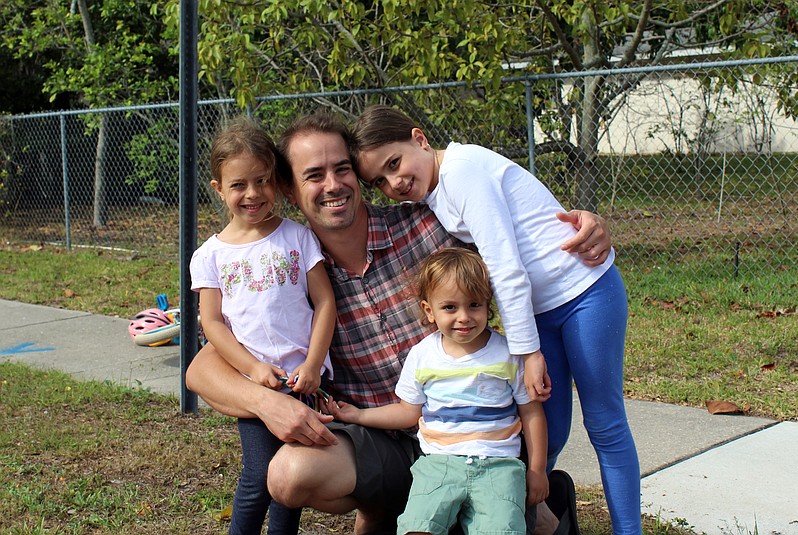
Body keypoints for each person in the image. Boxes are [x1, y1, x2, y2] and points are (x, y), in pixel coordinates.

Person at [184, 111, 614, 535]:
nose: (332, 185)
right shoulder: (291, 267)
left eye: (342, 169)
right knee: (288, 474)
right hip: (381, 439)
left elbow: (512, 240)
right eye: (314, 175)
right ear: (290, 191)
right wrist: (267, 403)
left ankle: (543, 512)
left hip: (470, 436)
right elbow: (201, 370)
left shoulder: (429, 226)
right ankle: (385, 507)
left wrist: (580, 227)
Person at [351, 105, 641, 535]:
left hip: (584, 292)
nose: (394, 183)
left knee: (604, 422)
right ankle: (532, 514)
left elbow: (505, 268)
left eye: (394, 163)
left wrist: (528, 353)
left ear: (419, 139)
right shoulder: (434, 193)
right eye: (379, 180)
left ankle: (627, 529)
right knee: (550, 426)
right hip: (539, 312)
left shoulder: (462, 171)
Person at [329, 247, 548, 534]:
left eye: (474, 305)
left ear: (488, 305)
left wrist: (537, 470)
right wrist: (358, 416)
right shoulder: (423, 356)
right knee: (417, 528)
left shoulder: (508, 354)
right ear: (429, 311)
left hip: (499, 467)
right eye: (450, 307)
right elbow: (408, 412)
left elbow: (531, 413)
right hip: (437, 465)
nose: (464, 317)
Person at [188, 117, 336, 535]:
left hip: (305, 383)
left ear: (276, 181)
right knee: (257, 478)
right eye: (239, 185)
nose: (252, 193)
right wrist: (252, 369)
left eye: (262, 181)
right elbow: (212, 323)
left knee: (290, 484)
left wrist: (314, 363)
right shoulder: (210, 255)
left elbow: (325, 302)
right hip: (257, 387)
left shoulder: (298, 237)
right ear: (219, 188)